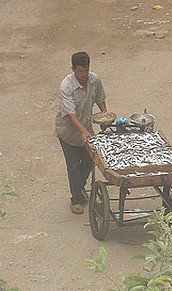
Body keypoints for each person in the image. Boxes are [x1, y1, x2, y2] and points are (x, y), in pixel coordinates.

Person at [55, 51, 108, 214]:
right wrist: (83, 131)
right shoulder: (67, 85)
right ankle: (76, 199)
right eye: (80, 71)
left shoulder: (95, 79)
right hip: (68, 132)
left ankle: (79, 188)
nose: (83, 74)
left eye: (86, 70)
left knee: (89, 162)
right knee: (73, 166)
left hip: (86, 127)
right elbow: (70, 113)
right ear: (73, 69)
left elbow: (100, 99)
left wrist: (105, 119)